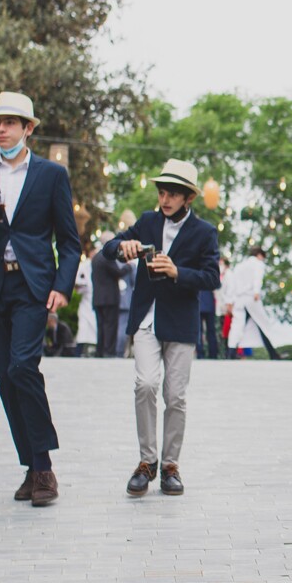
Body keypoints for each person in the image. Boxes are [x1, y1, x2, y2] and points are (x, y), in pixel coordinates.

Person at [0, 90, 81, 507]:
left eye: (10, 122)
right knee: (5, 379)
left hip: (31, 286)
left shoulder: (51, 175)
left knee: (23, 367)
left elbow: (70, 241)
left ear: (28, 129)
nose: (1, 129)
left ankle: (44, 469)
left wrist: (61, 285)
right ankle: (31, 465)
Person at [99, 159, 221, 497]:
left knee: (175, 397)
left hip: (181, 323)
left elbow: (212, 278)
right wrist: (121, 247)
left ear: (189, 198)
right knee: (145, 385)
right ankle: (146, 462)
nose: (165, 199)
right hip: (145, 320)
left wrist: (177, 271)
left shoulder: (205, 232)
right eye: (162, 192)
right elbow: (107, 249)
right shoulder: (148, 222)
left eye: (173, 194)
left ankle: (170, 466)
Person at [221, 245, 277, 359]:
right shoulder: (258, 264)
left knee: (237, 325)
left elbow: (232, 284)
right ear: (260, 255)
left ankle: (231, 352)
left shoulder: (240, 266)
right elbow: (257, 278)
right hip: (251, 297)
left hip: (238, 299)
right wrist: (256, 291)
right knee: (263, 323)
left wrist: (230, 301)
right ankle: (273, 353)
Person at [90, 233, 130, 358]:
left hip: (97, 298)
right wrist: (129, 266)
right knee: (110, 326)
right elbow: (118, 272)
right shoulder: (106, 257)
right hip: (110, 298)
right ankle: (109, 352)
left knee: (101, 326)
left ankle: (100, 351)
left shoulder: (95, 257)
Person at [196, 258, 222, 360]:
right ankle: (213, 353)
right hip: (209, 304)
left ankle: (200, 353)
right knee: (211, 330)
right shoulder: (210, 272)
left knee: (199, 331)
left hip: (199, 303)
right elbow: (218, 284)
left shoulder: (197, 271)